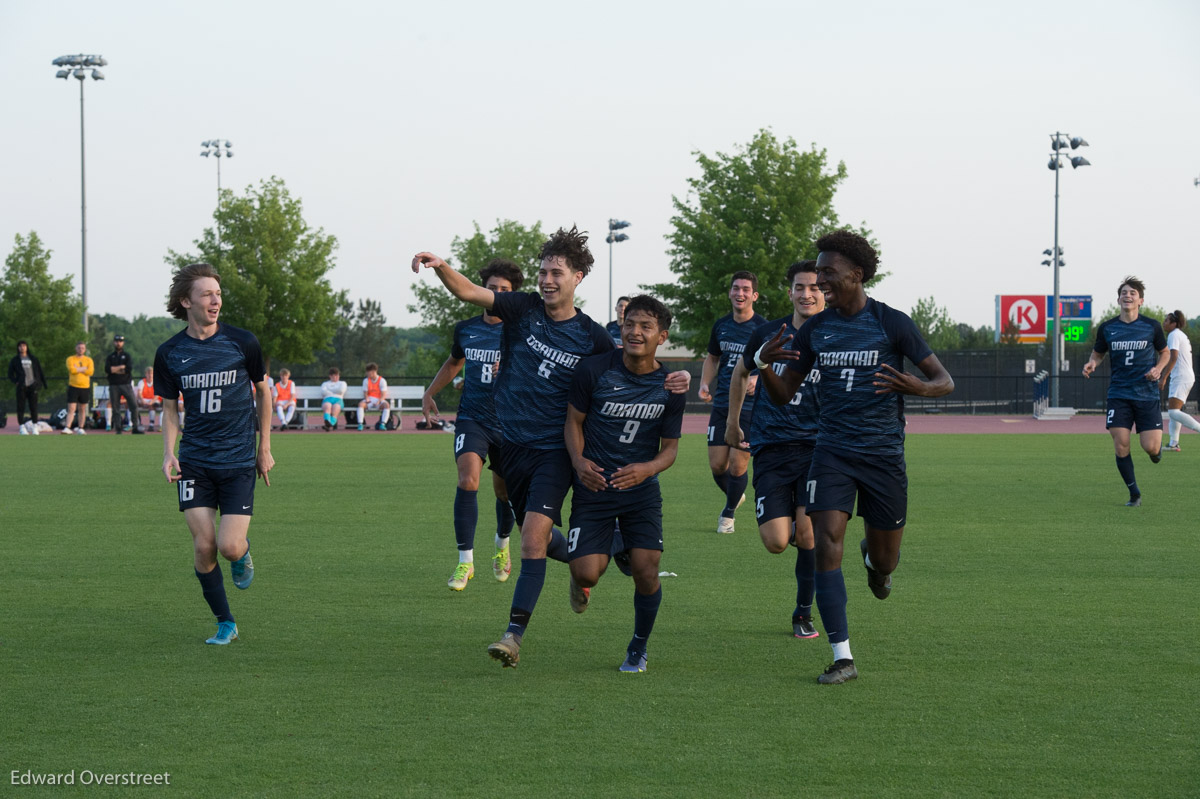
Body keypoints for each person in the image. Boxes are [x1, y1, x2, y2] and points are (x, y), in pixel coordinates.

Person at [412, 225, 690, 668]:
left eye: (556, 272)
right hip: (507, 443)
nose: (547, 279)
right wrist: (441, 265)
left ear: (578, 277)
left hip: (555, 452)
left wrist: (679, 377)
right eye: (543, 271)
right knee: (533, 533)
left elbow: (635, 365)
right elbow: (468, 293)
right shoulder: (521, 309)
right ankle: (612, 542)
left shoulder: (593, 338)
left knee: (531, 542)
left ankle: (513, 635)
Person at [758, 230, 954, 684]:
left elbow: (944, 380)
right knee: (826, 540)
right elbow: (785, 394)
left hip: (883, 456)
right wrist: (765, 365)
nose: (820, 279)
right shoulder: (817, 330)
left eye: (828, 271)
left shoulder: (891, 323)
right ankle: (842, 656)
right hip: (832, 452)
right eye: (817, 271)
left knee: (885, 563)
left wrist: (917, 387)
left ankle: (876, 566)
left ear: (856, 273)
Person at [154, 262, 274, 646]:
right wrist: (169, 453)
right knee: (204, 546)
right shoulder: (171, 353)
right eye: (207, 293)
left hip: (238, 461)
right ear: (185, 301)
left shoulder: (243, 342)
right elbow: (171, 410)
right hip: (195, 463)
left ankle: (242, 554)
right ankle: (225, 621)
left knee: (228, 546)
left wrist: (264, 447)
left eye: (218, 293)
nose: (215, 299)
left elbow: (263, 392)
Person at [565, 295, 686, 672]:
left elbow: (670, 451)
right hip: (595, 486)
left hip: (641, 492)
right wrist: (579, 461)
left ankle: (638, 646)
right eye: (629, 324)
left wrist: (647, 469)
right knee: (586, 573)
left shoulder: (671, 386)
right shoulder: (595, 370)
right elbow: (573, 423)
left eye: (646, 326)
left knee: (646, 571)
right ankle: (606, 550)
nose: (635, 332)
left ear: (661, 335)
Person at [726, 261, 824, 639]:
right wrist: (734, 423)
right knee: (777, 542)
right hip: (772, 447)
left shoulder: (833, 334)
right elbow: (739, 372)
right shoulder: (769, 334)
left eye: (814, 287)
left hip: (819, 449)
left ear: (824, 291)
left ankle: (803, 614)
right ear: (790, 292)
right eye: (800, 287)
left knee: (810, 536)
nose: (807, 293)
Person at [421, 259, 523, 590]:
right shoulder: (466, 328)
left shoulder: (521, 331)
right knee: (468, 481)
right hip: (473, 419)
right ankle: (465, 562)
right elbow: (454, 362)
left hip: (510, 422)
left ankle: (502, 545)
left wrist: (509, 372)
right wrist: (429, 393)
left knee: (504, 492)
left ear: (512, 294)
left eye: (504, 290)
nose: (496, 293)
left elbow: (536, 372)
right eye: (492, 287)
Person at [1082, 277, 1170, 505]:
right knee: (1121, 442)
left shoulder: (1151, 326)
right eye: (1124, 292)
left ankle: (1156, 451)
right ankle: (1134, 494)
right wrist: (1092, 363)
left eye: (1132, 293)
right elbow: (1098, 353)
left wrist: (1159, 369)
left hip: (1147, 394)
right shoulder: (1108, 328)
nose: (1127, 296)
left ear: (1140, 300)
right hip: (1119, 394)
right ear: (1118, 298)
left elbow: (1165, 352)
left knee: (1150, 447)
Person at [699, 272, 766, 533]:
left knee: (738, 465)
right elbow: (713, 358)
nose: (740, 293)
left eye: (746, 290)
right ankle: (735, 496)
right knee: (718, 465)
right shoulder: (721, 325)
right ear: (730, 293)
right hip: (722, 404)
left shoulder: (763, 329)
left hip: (750, 406)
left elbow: (775, 363)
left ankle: (728, 515)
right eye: (736, 288)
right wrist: (705, 383)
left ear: (754, 296)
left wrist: (759, 377)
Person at [1160, 310, 1199, 451]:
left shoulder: (1174, 335)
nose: (1164, 322)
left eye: (1166, 320)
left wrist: (1163, 377)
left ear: (1174, 323)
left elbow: (1173, 357)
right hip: (1183, 376)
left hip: (1181, 377)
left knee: (1172, 412)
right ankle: (1173, 443)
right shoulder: (1179, 335)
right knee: (1174, 410)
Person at [104, 334, 145, 434]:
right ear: (114, 342)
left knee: (134, 406)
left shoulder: (127, 356)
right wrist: (120, 367)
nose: (118, 343)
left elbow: (128, 369)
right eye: (117, 341)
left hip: (126, 384)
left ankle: (135, 427)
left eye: (120, 341)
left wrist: (115, 369)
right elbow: (108, 369)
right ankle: (118, 429)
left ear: (123, 343)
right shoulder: (110, 357)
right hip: (114, 385)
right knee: (115, 408)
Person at [9, 340, 48, 434]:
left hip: (32, 386)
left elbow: (40, 372)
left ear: (27, 347)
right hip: (21, 387)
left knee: (33, 407)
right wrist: (16, 382)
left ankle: (35, 426)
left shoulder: (33, 359)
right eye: (20, 346)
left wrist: (42, 383)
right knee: (20, 407)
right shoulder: (15, 360)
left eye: (24, 346)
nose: (22, 347)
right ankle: (22, 427)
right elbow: (10, 374)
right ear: (18, 348)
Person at [63, 341, 94, 435]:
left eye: (82, 348)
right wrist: (84, 368)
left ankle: (81, 428)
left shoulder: (89, 360)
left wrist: (78, 369)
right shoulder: (70, 359)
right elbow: (72, 370)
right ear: (76, 348)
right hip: (73, 386)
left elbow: (90, 372)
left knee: (82, 408)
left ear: (85, 349)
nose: (81, 350)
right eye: (79, 348)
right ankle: (68, 427)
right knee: (71, 408)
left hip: (85, 387)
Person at [356, 363, 391, 431]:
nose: (367, 374)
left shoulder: (382, 380)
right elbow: (365, 393)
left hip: (379, 399)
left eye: (368, 372)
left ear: (373, 372)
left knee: (386, 405)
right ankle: (360, 424)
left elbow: (383, 394)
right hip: (370, 400)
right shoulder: (366, 380)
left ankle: (382, 424)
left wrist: (379, 401)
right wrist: (367, 398)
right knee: (360, 405)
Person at [136, 366, 164, 432]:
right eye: (148, 374)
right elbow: (139, 392)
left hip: (154, 400)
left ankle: (151, 425)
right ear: (146, 374)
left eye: (151, 374)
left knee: (153, 406)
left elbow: (157, 395)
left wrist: (151, 402)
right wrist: (142, 400)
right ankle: (136, 423)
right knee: (134, 405)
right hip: (144, 399)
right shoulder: (142, 382)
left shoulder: (156, 382)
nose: (150, 375)